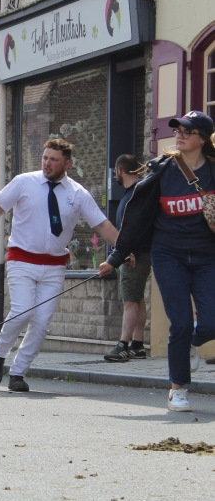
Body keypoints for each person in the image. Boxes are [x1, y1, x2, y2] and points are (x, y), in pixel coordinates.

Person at [0, 139, 119, 392]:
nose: (47, 163)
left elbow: (102, 225)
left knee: (41, 322)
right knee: (23, 310)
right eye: (45, 158)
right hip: (21, 259)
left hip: (55, 265)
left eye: (54, 160)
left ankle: (18, 372)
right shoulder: (24, 182)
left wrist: (124, 249)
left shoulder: (78, 193)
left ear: (67, 164)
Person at [99, 111, 215, 411]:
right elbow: (136, 217)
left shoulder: (213, 170)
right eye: (177, 130)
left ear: (202, 139)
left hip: (207, 256)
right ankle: (178, 389)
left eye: (187, 132)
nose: (179, 135)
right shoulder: (162, 170)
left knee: (210, 323)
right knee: (180, 323)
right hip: (168, 254)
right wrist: (116, 257)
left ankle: (190, 340)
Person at [103, 154, 151, 363]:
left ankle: (123, 345)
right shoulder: (136, 192)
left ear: (120, 170)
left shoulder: (135, 194)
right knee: (137, 297)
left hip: (134, 255)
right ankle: (138, 345)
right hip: (137, 253)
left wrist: (127, 252)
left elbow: (135, 227)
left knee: (130, 300)